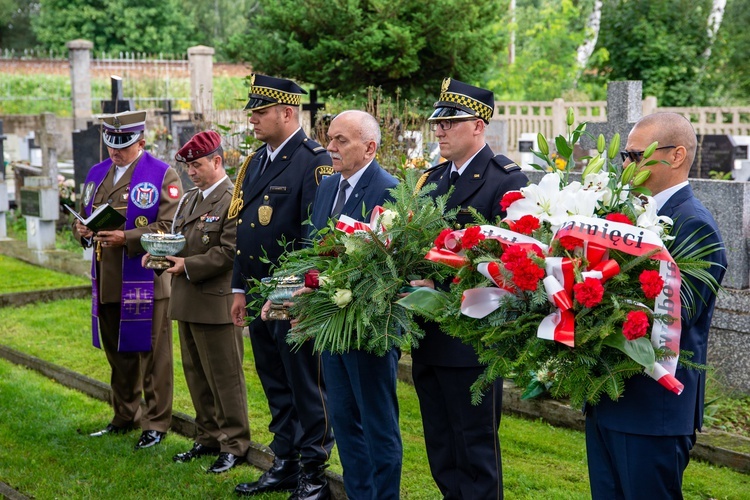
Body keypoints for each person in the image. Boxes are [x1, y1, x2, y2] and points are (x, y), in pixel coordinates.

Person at [585, 112, 727, 499]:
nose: (626, 164)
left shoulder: (694, 224)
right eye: (625, 155)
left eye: (635, 154)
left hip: (653, 410)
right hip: (611, 398)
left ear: (677, 155)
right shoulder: (630, 212)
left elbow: (677, 312)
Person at [409, 78, 528, 499]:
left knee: (475, 450)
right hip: (429, 334)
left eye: (450, 122)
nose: (438, 130)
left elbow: (510, 264)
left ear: (479, 126)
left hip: (472, 339)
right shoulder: (431, 181)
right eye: (437, 123)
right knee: (441, 446)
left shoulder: (504, 180)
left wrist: (438, 282)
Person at [230, 74, 334, 499]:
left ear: (287, 112)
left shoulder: (314, 160)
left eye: (260, 111)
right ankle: (286, 460)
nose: (253, 119)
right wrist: (240, 289)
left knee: (306, 385)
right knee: (275, 382)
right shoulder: (257, 161)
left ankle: (313, 471)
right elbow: (245, 232)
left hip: (292, 299)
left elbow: (316, 235)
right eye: (252, 112)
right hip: (259, 295)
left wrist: (294, 294)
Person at [306, 110, 401, 499]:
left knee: (377, 427)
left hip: (369, 329)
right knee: (344, 424)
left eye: (341, 140)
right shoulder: (327, 187)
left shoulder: (390, 190)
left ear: (369, 147)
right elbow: (314, 251)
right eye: (330, 138)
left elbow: (389, 269)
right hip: (331, 326)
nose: (330, 147)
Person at [74, 110, 182, 449]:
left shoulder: (162, 174)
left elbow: (169, 227)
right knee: (117, 353)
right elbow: (84, 215)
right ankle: (124, 415)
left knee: (152, 356)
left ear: (141, 141)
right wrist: (80, 230)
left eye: (124, 145)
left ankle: (156, 422)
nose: (115, 152)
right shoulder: (96, 173)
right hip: (106, 277)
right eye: (110, 145)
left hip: (145, 278)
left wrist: (127, 237)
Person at [151, 130, 251, 473]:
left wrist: (187, 265)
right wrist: (161, 253)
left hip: (215, 302)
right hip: (187, 298)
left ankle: (234, 443)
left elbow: (228, 252)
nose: (190, 172)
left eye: (196, 165)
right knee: (196, 375)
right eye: (188, 166)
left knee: (225, 378)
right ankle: (207, 436)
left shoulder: (232, 199)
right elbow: (182, 238)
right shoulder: (191, 198)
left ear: (217, 161)